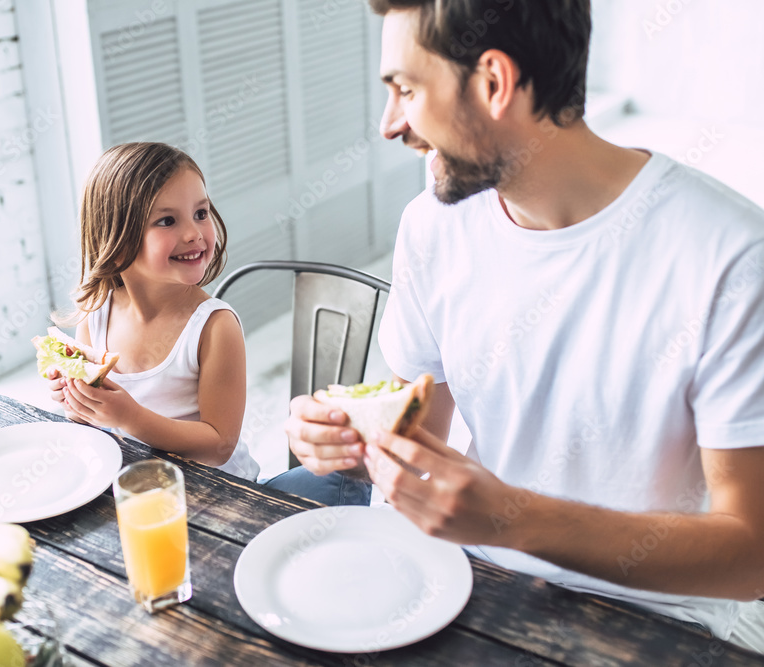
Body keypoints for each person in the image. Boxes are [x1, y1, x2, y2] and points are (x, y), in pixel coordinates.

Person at [281, 0, 764, 653]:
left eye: (405, 89)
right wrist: (351, 443)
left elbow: (749, 555)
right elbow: (420, 434)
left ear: (494, 83)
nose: (390, 124)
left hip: (661, 617)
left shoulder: (733, 257)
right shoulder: (432, 226)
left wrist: (514, 519)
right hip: (469, 575)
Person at [46, 142, 260, 481]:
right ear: (116, 243)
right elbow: (92, 423)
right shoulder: (96, 315)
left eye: (200, 214)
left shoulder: (215, 327)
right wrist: (76, 401)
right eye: (167, 220)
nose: (193, 233)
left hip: (219, 493)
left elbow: (219, 445)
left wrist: (131, 417)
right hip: (141, 483)